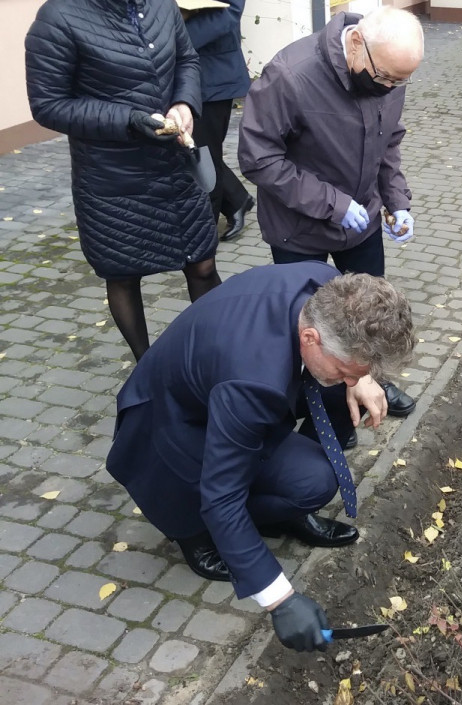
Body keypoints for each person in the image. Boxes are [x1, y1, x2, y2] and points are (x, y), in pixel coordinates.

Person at [105, 262, 415, 652]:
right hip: (170, 427)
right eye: (344, 370)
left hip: (224, 393)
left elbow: (343, 360)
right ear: (310, 337)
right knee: (208, 502)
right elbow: (222, 497)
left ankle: (280, 516)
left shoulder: (329, 290)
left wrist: (361, 377)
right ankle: (192, 534)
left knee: (315, 478)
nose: (350, 381)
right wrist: (281, 600)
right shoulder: (253, 382)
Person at [238, 6, 424, 422]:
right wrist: (334, 204)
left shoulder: (386, 68)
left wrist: (397, 201)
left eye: (401, 81)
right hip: (298, 229)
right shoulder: (291, 75)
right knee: (311, 325)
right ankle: (317, 401)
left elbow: (388, 141)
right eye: (386, 79)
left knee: (372, 318)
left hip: (362, 226)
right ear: (357, 43)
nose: (392, 87)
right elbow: (259, 159)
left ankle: (369, 382)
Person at [25, 0, 221, 362]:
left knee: (203, 264)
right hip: (112, 176)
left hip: (174, 164)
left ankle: (217, 353)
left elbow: (187, 60)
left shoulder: (160, 4)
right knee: (123, 274)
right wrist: (128, 120)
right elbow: (48, 104)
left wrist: (184, 103)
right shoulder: (59, 17)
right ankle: (145, 367)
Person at [181, 0, 256, 242]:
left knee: (202, 157)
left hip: (211, 77)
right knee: (188, 152)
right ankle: (236, 199)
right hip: (172, 73)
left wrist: (172, 37)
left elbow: (230, 12)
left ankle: (203, 241)